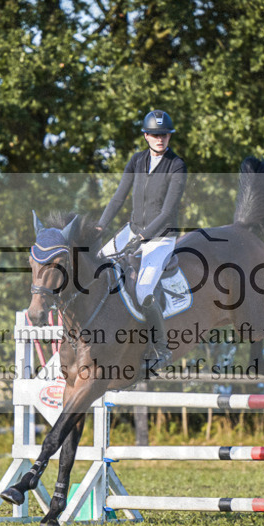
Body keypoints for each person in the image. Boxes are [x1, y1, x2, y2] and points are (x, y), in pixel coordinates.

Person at [96, 110, 187, 365]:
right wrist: (101, 226)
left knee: (144, 290)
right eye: (156, 135)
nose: (161, 139)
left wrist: (144, 237)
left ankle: (161, 348)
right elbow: (118, 197)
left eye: (165, 135)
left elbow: (168, 212)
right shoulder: (136, 161)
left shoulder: (176, 165)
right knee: (98, 265)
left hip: (160, 238)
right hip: (133, 230)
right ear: (146, 136)